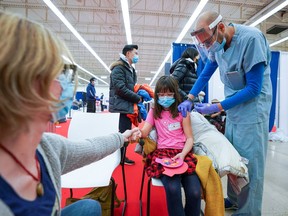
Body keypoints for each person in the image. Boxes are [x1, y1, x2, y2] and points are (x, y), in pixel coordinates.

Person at [0, 11, 141, 216]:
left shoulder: (46, 147)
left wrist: (122, 137)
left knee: (90, 207)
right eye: (53, 71)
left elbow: (91, 148)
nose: (65, 81)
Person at [178, 11, 272, 215]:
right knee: (233, 157)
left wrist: (217, 107)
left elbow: (254, 88)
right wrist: (190, 97)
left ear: (220, 28)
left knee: (250, 164)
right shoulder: (216, 45)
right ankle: (235, 199)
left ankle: (249, 210)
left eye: (208, 43)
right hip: (234, 109)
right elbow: (207, 70)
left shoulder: (251, 39)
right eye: (203, 45)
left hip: (253, 110)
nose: (207, 48)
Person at [139, 76, 201, 216]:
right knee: (173, 189)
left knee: (195, 192)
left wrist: (183, 154)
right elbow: (144, 132)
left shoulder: (182, 112)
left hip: (183, 153)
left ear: (175, 93)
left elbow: (190, 138)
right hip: (163, 155)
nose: (165, 97)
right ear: (157, 95)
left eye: (169, 94)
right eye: (161, 94)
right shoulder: (154, 112)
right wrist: (136, 132)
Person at [109, 44, 149, 165]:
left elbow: (129, 87)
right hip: (121, 107)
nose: (137, 55)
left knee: (125, 132)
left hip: (125, 105)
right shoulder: (119, 68)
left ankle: (121, 157)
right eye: (135, 53)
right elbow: (120, 88)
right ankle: (120, 158)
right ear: (128, 54)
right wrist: (137, 98)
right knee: (122, 133)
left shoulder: (129, 69)